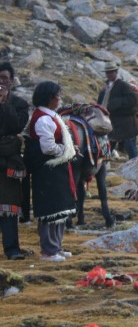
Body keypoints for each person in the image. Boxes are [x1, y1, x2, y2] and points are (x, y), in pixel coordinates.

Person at [24, 81, 76, 262]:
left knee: (59, 208)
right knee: (50, 209)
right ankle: (48, 250)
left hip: (56, 168)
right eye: (57, 96)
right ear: (49, 98)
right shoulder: (43, 119)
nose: (60, 99)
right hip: (47, 169)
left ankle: (57, 246)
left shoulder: (50, 115)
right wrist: (66, 150)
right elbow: (47, 147)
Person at [0, 62, 29, 260]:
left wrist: (4, 104)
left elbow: (17, 127)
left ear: (11, 81)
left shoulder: (19, 104)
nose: (1, 82)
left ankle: (12, 249)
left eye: (5, 79)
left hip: (8, 163)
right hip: (6, 151)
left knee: (9, 207)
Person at [97, 61, 138, 159]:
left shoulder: (123, 85)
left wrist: (116, 103)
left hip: (126, 123)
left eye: (111, 72)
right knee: (108, 147)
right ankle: (103, 167)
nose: (109, 74)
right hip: (112, 123)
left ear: (116, 72)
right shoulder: (105, 88)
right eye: (107, 72)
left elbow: (134, 100)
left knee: (130, 148)